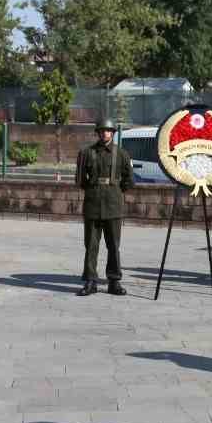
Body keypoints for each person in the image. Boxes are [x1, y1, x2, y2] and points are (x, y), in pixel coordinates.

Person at [74, 119, 133, 296]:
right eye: (102, 131)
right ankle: (91, 281)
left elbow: (129, 180)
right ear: (97, 133)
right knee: (91, 245)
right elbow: (80, 180)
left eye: (108, 130)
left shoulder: (122, 154)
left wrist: (114, 190)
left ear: (113, 133)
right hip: (92, 203)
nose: (105, 133)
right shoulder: (86, 153)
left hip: (113, 204)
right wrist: (94, 189)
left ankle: (114, 281)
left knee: (113, 245)